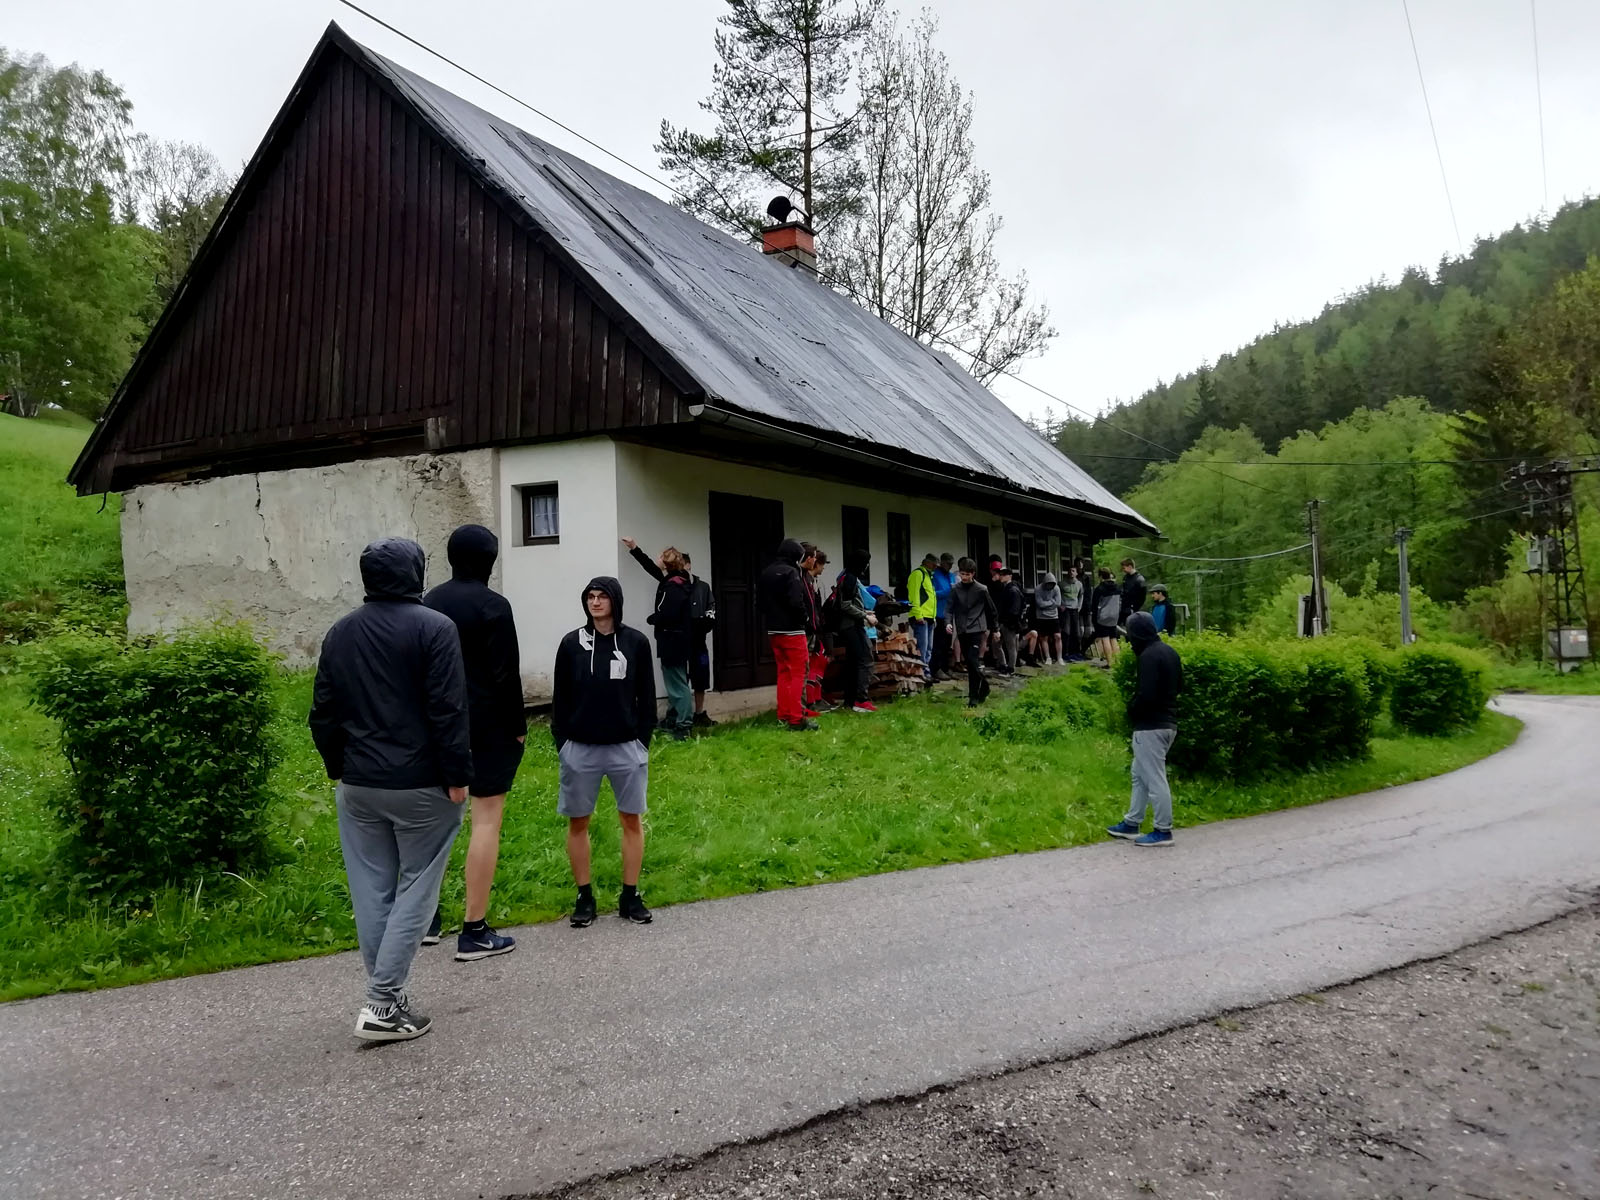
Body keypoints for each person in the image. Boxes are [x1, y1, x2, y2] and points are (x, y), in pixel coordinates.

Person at [309, 538, 470, 1042]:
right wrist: (458, 775)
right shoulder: (435, 628)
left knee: (372, 893)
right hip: (421, 783)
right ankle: (381, 1003)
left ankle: (389, 999)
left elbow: (323, 712)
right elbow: (448, 709)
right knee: (416, 890)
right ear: (415, 573)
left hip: (359, 785)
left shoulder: (341, 631)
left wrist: (338, 767)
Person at [421, 525, 526, 962]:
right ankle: (474, 930)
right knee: (485, 821)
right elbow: (505, 674)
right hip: (487, 726)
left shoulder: (428, 603)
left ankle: (425, 921)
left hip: (435, 727)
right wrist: (518, 726)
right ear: (490, 560)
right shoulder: (494, 606)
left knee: (433, 826)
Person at [553, 577, 658, 926]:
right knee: (578, 822)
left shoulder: (635, 642)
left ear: (615, 601)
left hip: (626, 748)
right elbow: (560, 698)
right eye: (590, 597)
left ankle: (630, 895)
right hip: (580, 749)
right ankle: (584, 896)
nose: (595, 602)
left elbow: (647, 695)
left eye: (602, 597)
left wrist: (642, 742)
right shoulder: (571, 644)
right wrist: (563, 744)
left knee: (631, 820)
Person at [1106, 612, 1183, 847]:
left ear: (1137, 633)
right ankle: (1132, 822)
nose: (1129, 640)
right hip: (1168, 723)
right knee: (1139, 775)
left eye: (1130, 634)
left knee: (1154, 778)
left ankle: (1163, 830)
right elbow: (1180, 685)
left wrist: (1132, 709)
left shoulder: (1148, 656)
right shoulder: (1169, 652)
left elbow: (1146, 694)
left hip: (1150, 726)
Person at [622, 538, 695, 740]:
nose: (657, 558)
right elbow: (650, 568)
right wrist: (635, 549)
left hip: (673, 640)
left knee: (677, 684)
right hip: (676, 640)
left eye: (661, 556)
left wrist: (653, 618)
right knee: (675, 681)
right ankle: (674, 718)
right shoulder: (675, 581)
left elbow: (669, 614)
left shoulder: (674, 586)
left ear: (666, 562)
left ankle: (683, 726)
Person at [758, 538, 818, 731]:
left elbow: (759, 603)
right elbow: (795, 602)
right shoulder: (792, 572)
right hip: (793, 630)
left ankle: (783, 714)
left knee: (783, 673)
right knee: (798, 674)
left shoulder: (766, 572)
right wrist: (806, 619)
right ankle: (796, 719)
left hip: (773, 630)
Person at [948, 557, 998, 707]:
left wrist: (995, 629)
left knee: (972, 659)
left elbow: (991, 610)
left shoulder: (982, 589)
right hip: (962, 629)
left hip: (977, 629)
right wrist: (948, 623)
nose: (964, 577)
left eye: (967, 574)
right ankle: (984, 685)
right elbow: (949, 608)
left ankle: (973, 697)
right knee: (970, 664)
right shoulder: (955, 589)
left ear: (973, 574)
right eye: (962, 574)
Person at [835, 549, 879, 713]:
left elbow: (849, 602)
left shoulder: (845, 575)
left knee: (853, 663)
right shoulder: (851, 579)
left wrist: (864, 611)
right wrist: (865, 616)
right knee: (865, 660)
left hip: (850, 625)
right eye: (866, 563)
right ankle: (861, 699)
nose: (867, 566)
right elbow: (845, 605)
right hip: (852, 626)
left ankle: (850, 700)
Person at [683, 552, 717, 728]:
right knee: (681, 677)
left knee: (701, 675)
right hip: (681, 640)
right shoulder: (674, 586)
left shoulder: (703, 587)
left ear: (688, 565)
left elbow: (711, 610)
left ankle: (699, 713)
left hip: (699, 642)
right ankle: (680, 714)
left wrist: (704, 625)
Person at [801, 545, 835, 714]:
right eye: (822, 564)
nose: (823, 569)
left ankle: (817, 698)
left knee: (818, 664)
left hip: (817, 629)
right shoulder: (806, 581)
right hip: (811, 629)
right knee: (811, 667)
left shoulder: (814, 582)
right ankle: (810, 701)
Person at [906, 552, 939, 681]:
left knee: (929, 648)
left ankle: (926, 672)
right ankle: (921, 673)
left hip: (929, 617)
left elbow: (931, 598)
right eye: (934, 565)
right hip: (921, 617)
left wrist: (933, 617)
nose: (935, 567)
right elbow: (913, 596)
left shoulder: (928, 576)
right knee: (922, 647)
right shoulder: (918, 574)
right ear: (927, 563)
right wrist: (918, 614)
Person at [931, 553, 956, 680]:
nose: (950, 566)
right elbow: (932, 594)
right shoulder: (934, 575)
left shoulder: (951, 576)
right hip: (938, 613)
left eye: (951, 564)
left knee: (947, 643)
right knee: (938, 643)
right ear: (942, 562)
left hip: (949, 614)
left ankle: (946, 668)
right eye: (948, 563)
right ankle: (936, 669)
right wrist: (947, 591)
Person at [996, 565, 1025, 673]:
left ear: (1009, 576)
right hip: (1004, 622)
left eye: (1003, 575)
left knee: (1011, 647)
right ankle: (1003, 664)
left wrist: (1007, 622)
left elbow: (1014, 610)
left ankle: (1011, 667)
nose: (1001, 576)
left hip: (1010, 623)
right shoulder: (1006, 588)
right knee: (997, 645)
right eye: (1000, 574)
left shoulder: (1013, 590)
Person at [1091, 567, 1122, 664]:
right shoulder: (1117, 587)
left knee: (1105, 638)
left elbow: (1094, 605)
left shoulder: (1099, 589)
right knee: (1113, 638)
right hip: (1115, 616)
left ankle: (1110, 663)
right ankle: (1118, 662)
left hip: (1103, 616)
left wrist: (1094, 618)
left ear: (1101, 576)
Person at [1032, 571, 1064, 665]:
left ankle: (1059, 658)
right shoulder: (1038, 589)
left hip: (1054, 616)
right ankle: (1048, 657)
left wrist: (1049, 604)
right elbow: (1040, 604)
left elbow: (1058, 603)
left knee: (1058, 636)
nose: (1050, 586)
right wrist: (1052, 602)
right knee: (1044, 638)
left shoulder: (1056, 588)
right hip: (1042, 617)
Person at [1060, 564, 1085, 661]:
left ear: (1076, 573)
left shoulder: (1079, 584)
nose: (1071, 572)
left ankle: (1076, 653)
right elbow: (1058, 595)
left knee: (1076, 632)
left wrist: (1079, 606)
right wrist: (1061, 605)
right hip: (1066, 609)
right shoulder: (1062, 583)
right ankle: (1065, 653)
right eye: (1070, 570)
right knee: (1066, 632)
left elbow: (1081, 595)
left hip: (1075, 609)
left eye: (1073, 571)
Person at [1120, 557, 1148, 625]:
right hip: (1124, 609)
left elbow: (1144, 595)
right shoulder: (1125, 578)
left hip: (1133, 610)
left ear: (1130, 566)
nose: (1123, 570)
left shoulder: (1141, 579)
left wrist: (1135, 608)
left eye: (1124, 568)